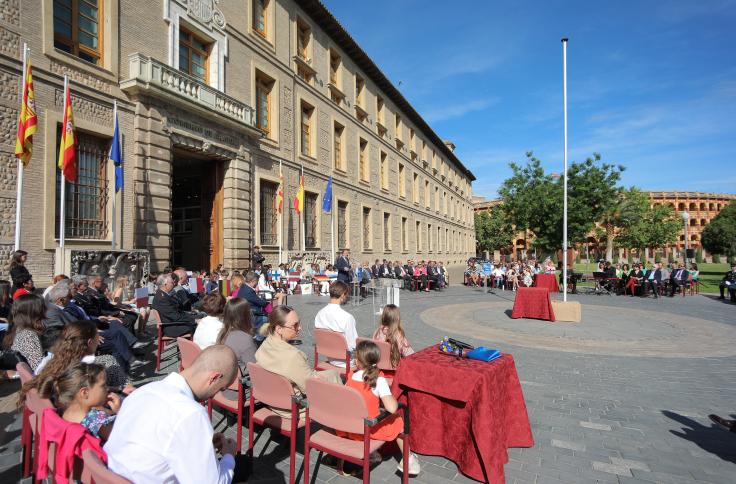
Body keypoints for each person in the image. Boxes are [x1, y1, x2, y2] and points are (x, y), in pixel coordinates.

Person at [104, 345, 247, 483]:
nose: (215, 395)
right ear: (214, 378)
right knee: (241, 466)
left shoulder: (142, 391)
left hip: (112, 475)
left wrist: (202, 444)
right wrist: (229, 455)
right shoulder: (191, 413)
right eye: (221, 388)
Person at [340, 340, 420, 476]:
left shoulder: (350, 377)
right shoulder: (379, 380)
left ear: (358, 361)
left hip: (350, 428)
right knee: (398, 420)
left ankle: (370, 456)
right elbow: (392, 408)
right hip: (369, 429)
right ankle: (408, 459)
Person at [256, 306, 340, 416]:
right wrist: (333, 376)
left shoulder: (265, 345)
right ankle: (342, 420)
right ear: (279, 329)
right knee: (334, 376)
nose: (299, 328)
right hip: (293, 409)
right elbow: (311, 387)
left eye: (299, 323)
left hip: (272, 401)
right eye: (295, 325)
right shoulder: (293, 356)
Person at [49, 362, 120, 442]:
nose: (107, 389)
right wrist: (120, 413)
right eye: (103, 385)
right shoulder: (98, 422)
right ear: (85, 393)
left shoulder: (64, 413)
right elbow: (122, 441)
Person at [216, 298, 256, 399]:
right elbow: (255, 370)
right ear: (245, 316)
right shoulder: (245, 339)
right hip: (239, 392)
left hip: (223, 386)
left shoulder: (223, 333)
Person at [314, 281, 357, 368]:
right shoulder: (347, 317)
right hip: (346, 361)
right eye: (346, 294)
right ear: (342, 295)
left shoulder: (319, 314)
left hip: (329, 357)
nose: (347, 297)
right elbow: (353, 345)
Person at [3, 294, 46, 370]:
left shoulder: (18, 328)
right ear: (34, 312)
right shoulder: (29, 335)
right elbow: (39, 368)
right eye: (42, 308)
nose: (46, 310)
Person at [236, 271, 283, 340]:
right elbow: (261, 303)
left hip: (246, 312)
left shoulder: (244, 287)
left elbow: (255, 300)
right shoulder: (248, 291)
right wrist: (266, 302)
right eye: (257, 281)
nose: (257, 283)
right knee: (267, 319)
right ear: (253, 281)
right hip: (250, 315)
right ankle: (259, 339)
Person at [372, 304, 414, 369]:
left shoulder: (377, 333)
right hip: (394, 370)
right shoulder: (399, 336)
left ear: (383, 317)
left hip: (379, 368)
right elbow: (410, 355)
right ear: (397, 319)